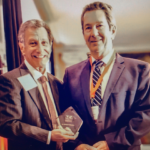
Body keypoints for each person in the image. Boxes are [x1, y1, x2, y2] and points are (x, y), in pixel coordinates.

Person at [62, 2, 150, 150]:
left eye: (99, 26)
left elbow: (146, 113)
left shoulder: (139, 70)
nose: (94, 33)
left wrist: (112, 142)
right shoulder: (71, 74)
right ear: (83, 33)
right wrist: (77, 145)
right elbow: (64, 114)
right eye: (88, 27)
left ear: (112, 31)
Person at [0, 19, 78, 150]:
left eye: (44, 43)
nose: (40, 49)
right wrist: (48, 136)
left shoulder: (57, 83)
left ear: (50, 45)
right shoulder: (10, 81)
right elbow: (7, 125)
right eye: (33, 43)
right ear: (22, 47)